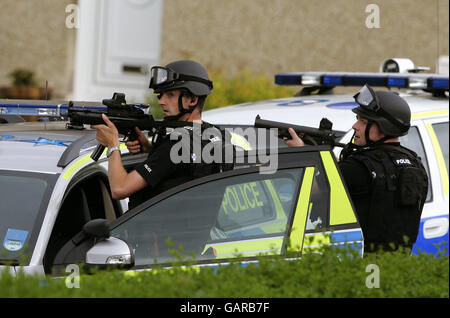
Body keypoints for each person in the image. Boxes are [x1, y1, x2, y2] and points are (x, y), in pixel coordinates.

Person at [285, 84, 428, 253]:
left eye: (363, 121)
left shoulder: (359, 168)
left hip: (363, 266)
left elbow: (310, 191)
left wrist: (303, 154)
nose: (355, 126)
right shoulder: (414, 164)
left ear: (383, 128)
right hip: (396, 266)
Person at [92, 60, 234, 210]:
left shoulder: (175, 145)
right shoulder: (214, 134)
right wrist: (149, 148)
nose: (161, 101)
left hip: (158, 231)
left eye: (170, 95)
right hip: (196, 230)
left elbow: (119, 189)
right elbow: (183, 170)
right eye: (161, 95)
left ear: (192, 100)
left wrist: (112, 145)